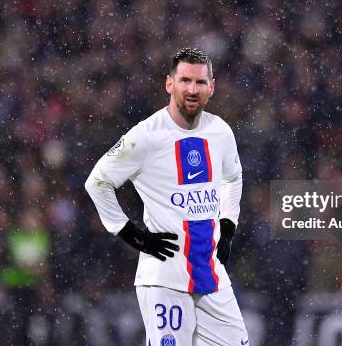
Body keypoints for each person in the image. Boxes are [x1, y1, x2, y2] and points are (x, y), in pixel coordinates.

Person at [85, 48, 249, 345]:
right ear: (169, 84)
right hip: (165, 275)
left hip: (210, 273)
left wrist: (228, 225)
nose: (192, 89)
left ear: (212, 87)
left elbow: (233, 178)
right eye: (185, 80)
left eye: (200, 82)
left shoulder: (220, 132)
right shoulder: (146, 135)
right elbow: (97, 182)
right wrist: (132, 234)